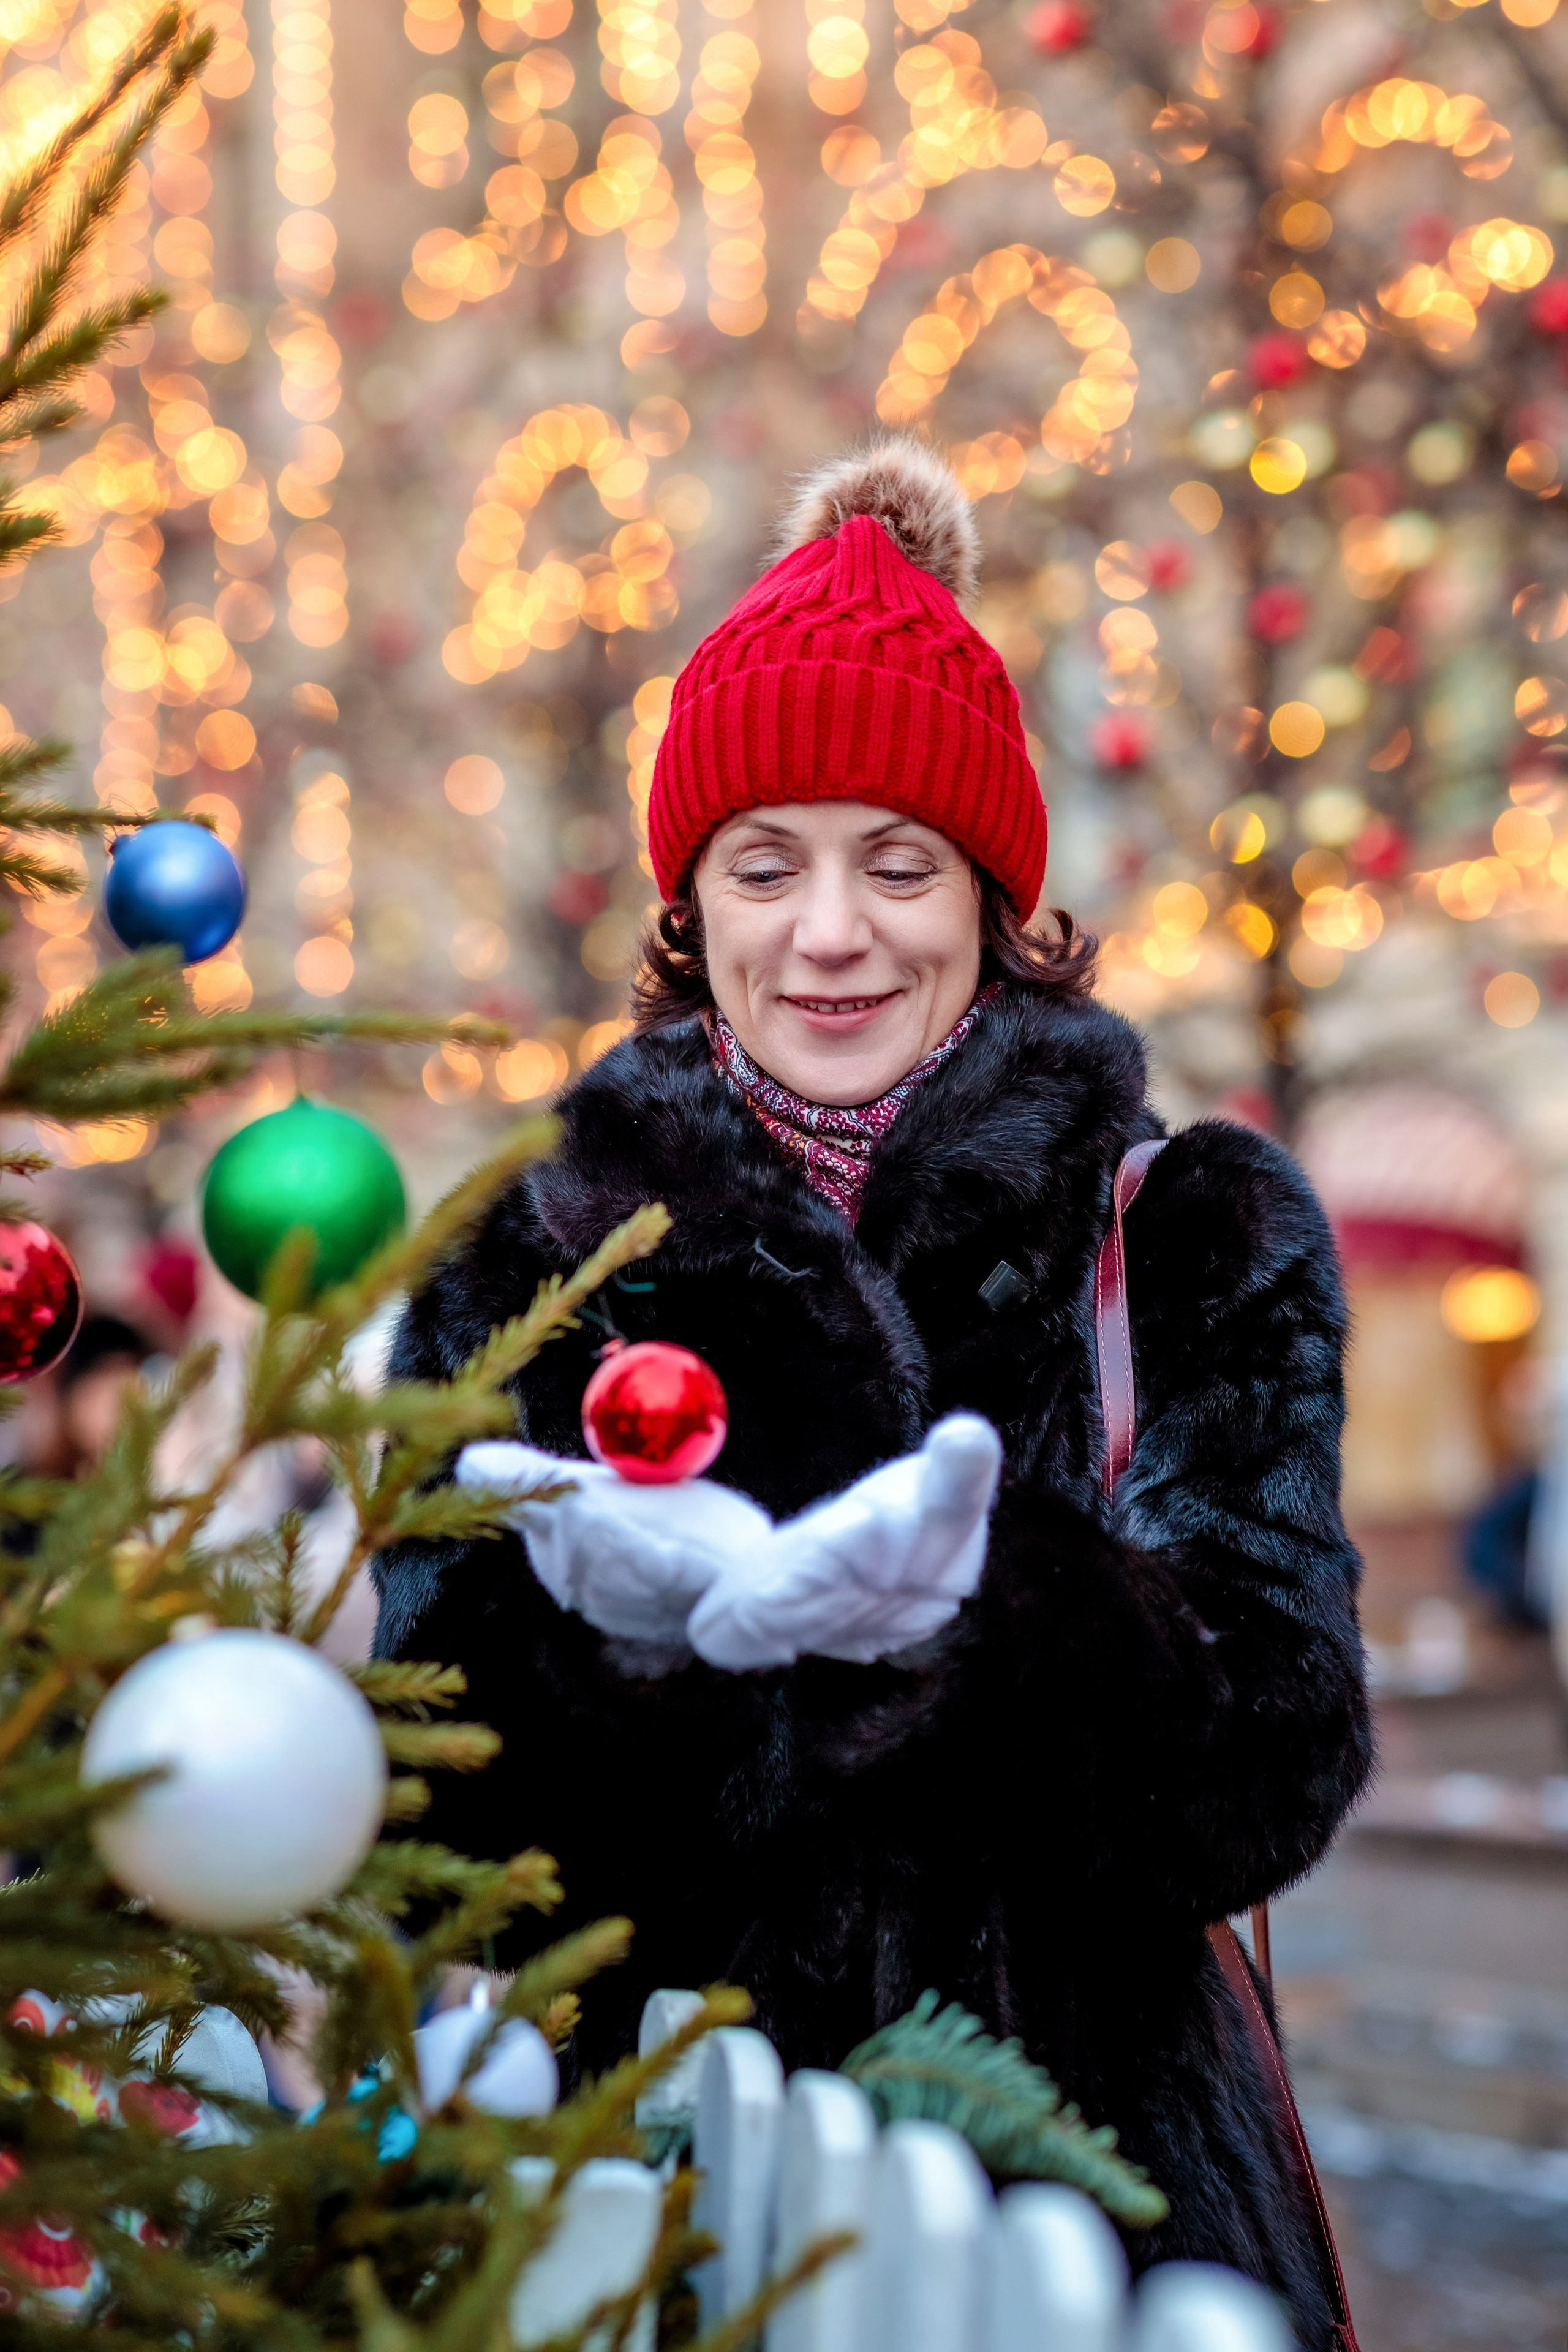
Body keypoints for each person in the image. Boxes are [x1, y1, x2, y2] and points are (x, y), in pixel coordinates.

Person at [374, 440, 1372, 2345]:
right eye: (767, 866)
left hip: (1103, 2213)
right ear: (695, 903)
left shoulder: (1185, 1231)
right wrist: (625, 1652)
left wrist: (976, 1616)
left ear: (989, 897)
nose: (831, 932)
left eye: (897, 865)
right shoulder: (536, 1259)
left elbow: (1272, 1759)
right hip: (665, 2209)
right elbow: (441, 1835)